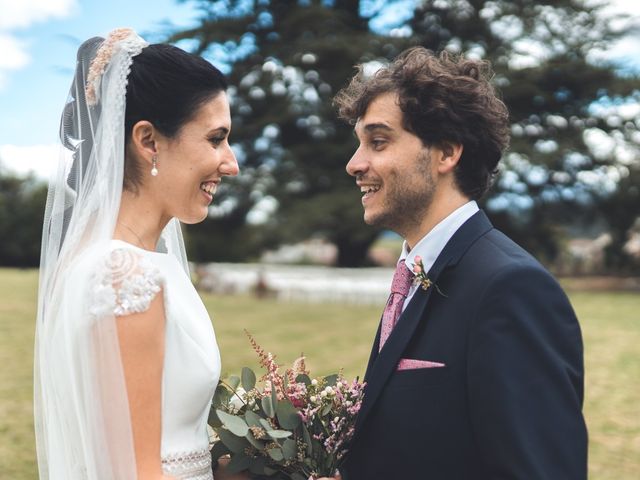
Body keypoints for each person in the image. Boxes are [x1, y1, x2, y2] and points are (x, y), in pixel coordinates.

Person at [332, 47, 588, 479]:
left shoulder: (510, 288)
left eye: (378, 141)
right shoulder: (415, 272)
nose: (354, 164)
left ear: (446, 153)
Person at [34, 28, 241, 479]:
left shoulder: (113, 261)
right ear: (148, 140)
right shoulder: (125, 273)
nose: (231, 162)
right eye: (215, 138)